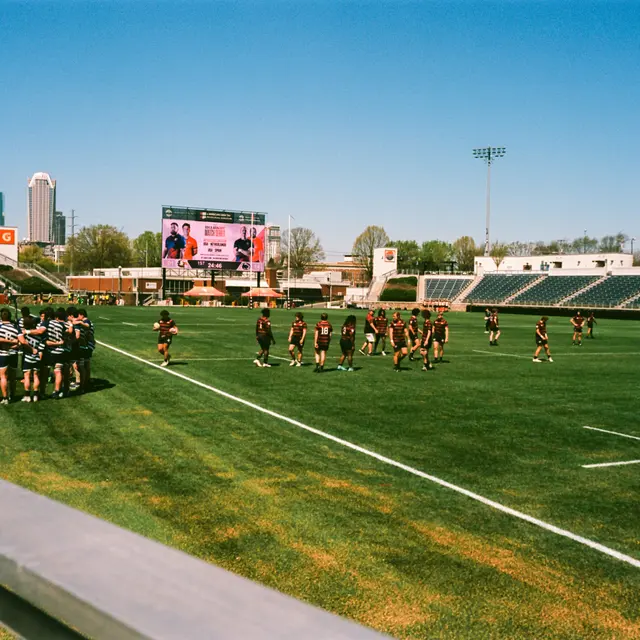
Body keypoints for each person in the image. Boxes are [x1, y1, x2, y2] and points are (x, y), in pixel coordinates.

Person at [18, 316, 44, 402]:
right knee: (36, 376)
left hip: (28, 357)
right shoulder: (39, 335)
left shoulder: (25, 334)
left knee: (27, 376)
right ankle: (36, 395)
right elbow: (41, 347)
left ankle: (27, 396)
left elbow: (22, 344)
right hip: (36, 358)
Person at [46, 308, 69, 399]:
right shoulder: (64, 325)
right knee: (59, 371)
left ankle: (55, 390)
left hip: (51, 351)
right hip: (61, 351)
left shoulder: (49, 324)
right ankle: (58, 390)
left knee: (55, 370)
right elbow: (70, 331)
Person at [0, 308, 19, 404]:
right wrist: (13, 343)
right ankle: (12, 395)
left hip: (3, 353)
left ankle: (5, 398)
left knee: (3, 376)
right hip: (13, 354)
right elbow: (19, 341)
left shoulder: (0, 327)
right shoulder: (15, 327)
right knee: (12, 377)